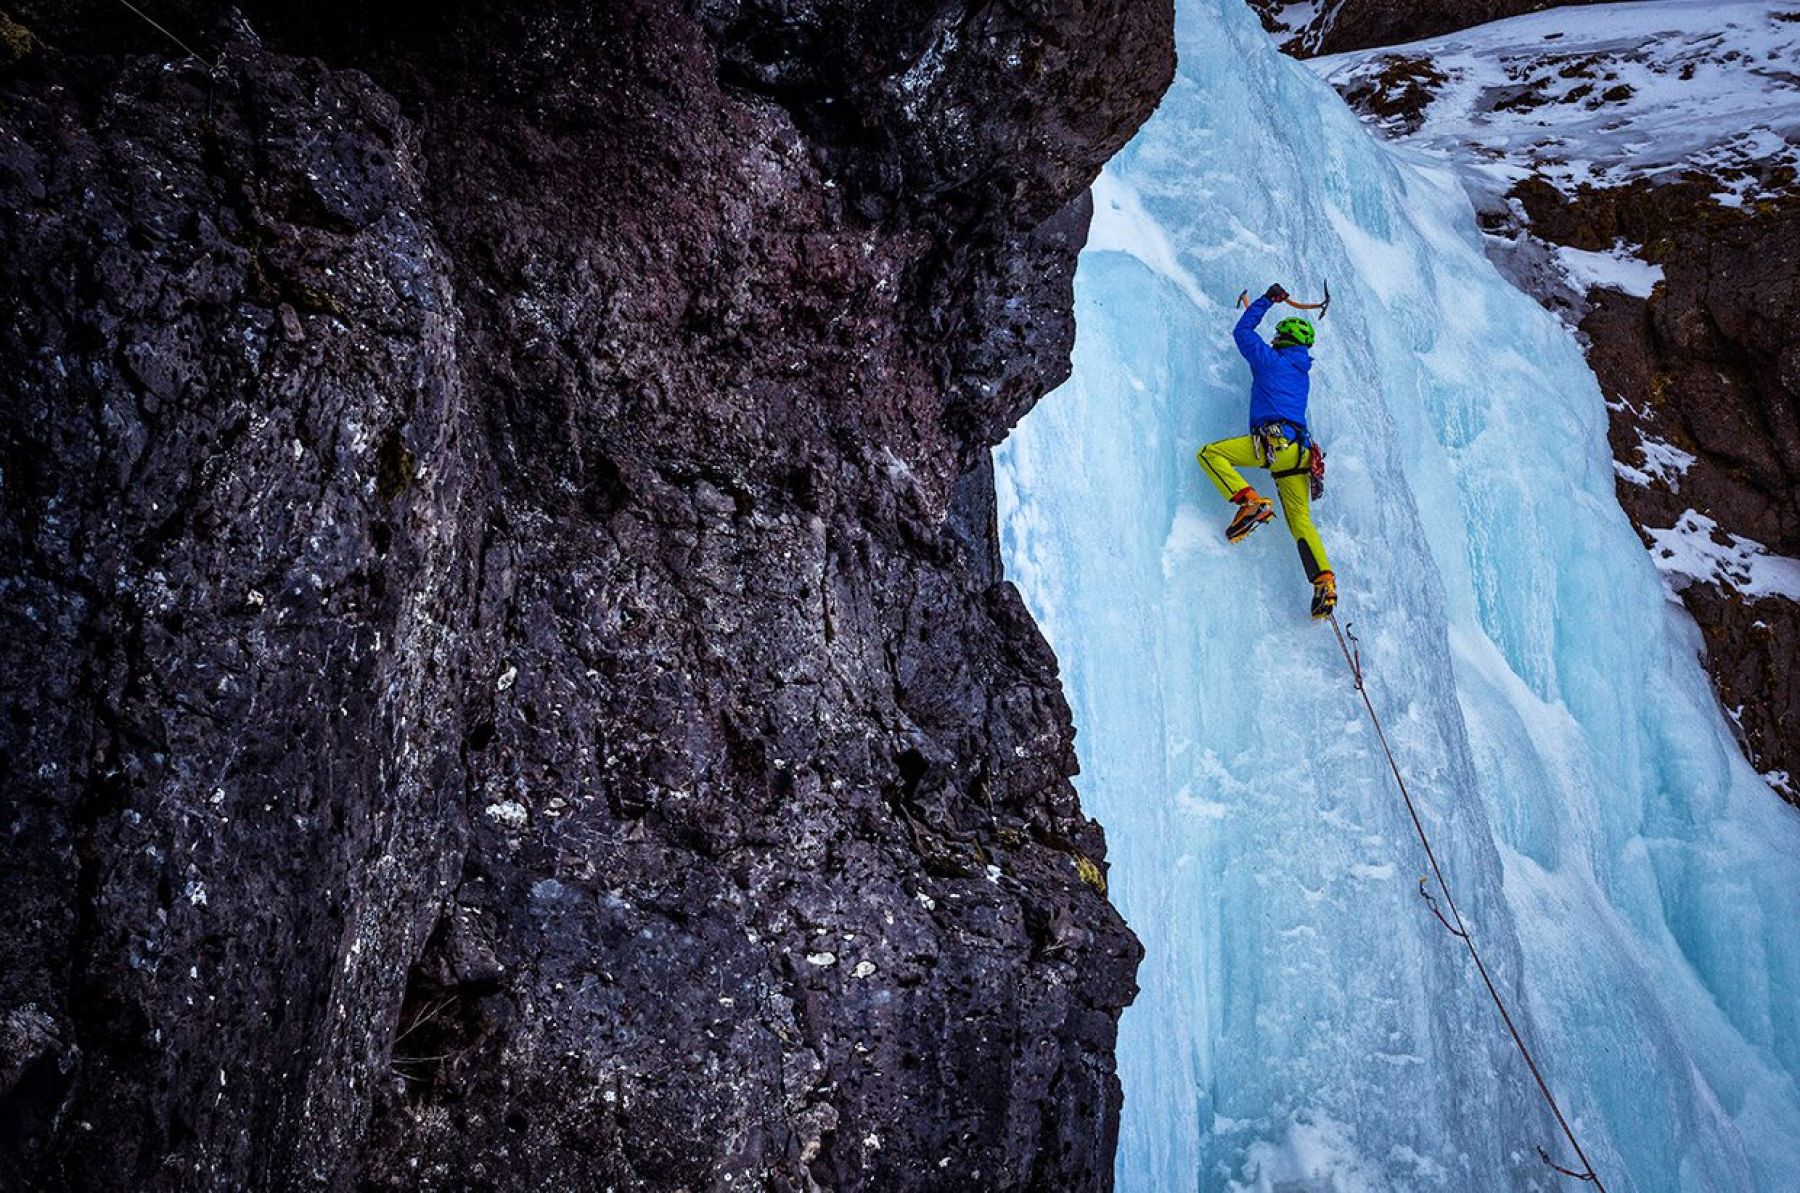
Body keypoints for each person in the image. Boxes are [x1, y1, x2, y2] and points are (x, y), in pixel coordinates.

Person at [1197, 283, 1336, 619]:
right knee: (1301, 521)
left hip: (1272, 445)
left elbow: (1243, 331)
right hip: (1299, 454)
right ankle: (1324, 583)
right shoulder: (1302, 372)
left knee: (1210, 454)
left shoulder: (1270, 361)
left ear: (1282, 339)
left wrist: (1266, 300)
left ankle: (1249, 500)